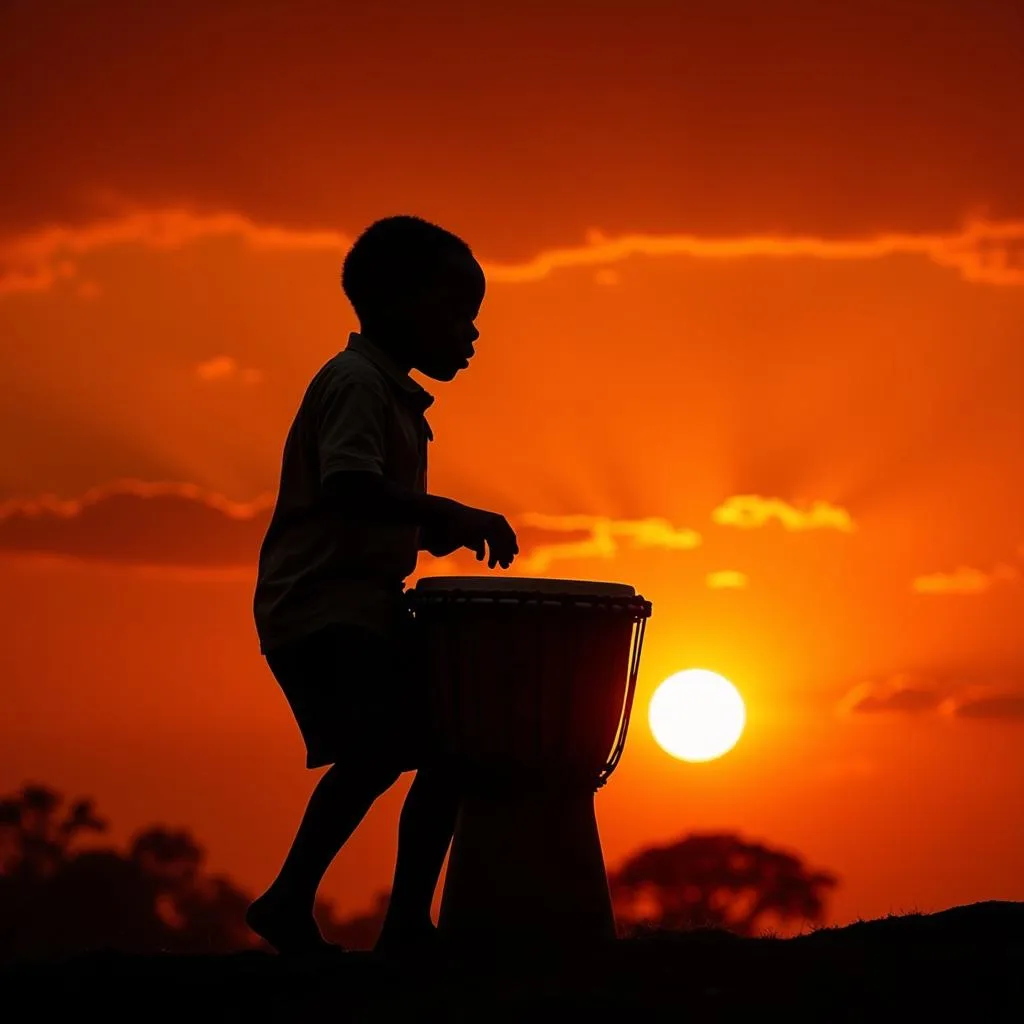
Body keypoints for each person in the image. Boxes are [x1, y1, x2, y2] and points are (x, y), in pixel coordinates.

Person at [246, 215, 519, 955]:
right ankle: (301, 902)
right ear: (402, 304)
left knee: (443, 747)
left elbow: (375, 507)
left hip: (354, 605)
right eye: (459, 314)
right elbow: (348, 488)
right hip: (323, 607)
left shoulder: (387, 394)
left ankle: (394, 923)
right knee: (389, 747)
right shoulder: (358, 387)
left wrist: (437, 529)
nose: (471, 335)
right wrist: (447, 512)